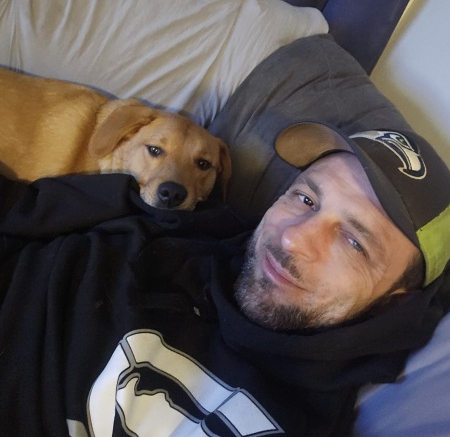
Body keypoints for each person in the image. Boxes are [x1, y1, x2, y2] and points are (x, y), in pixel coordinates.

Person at [0, 121, 449, 437]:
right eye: (306, 199)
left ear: (395, 302)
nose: (292, 239)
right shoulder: (190, 223)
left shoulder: (285, 417)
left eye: (353, 242)